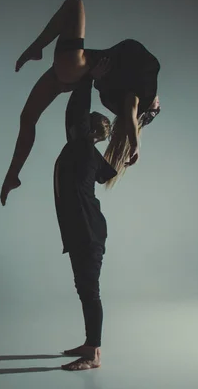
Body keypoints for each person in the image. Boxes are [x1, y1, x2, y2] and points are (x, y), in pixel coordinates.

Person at [0, 0, 161, 206]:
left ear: (150, 109)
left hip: (76, 64)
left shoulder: (146, 84)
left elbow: (131, 111)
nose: (160, 104)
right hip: (70, 75)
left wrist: (134, 143)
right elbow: (129, 111)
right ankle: (12, 176)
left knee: (74, 4)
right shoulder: (123, 93)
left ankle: (36, 47)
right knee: (28, 118)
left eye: (157, 110)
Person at [53, 63, 117, 371]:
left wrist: (88, 78)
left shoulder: (81, 147)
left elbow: (75, 111)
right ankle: (90, 343)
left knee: (89, 290)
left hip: (88, 233)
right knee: (85, 288)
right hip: (87, 230)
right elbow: (112, 168)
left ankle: (93, 354)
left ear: (87, 129)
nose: (72, 127)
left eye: (81, 124)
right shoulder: (89, 153)